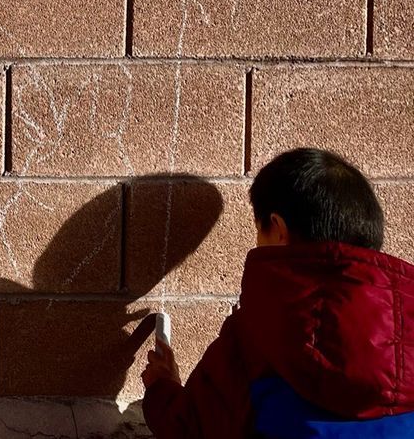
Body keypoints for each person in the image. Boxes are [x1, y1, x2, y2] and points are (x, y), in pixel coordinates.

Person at [140, 147, 414, 438]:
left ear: (278, 229)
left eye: (259, 230)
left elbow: (189, 427)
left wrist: (161, 385)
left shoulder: (257, 333)